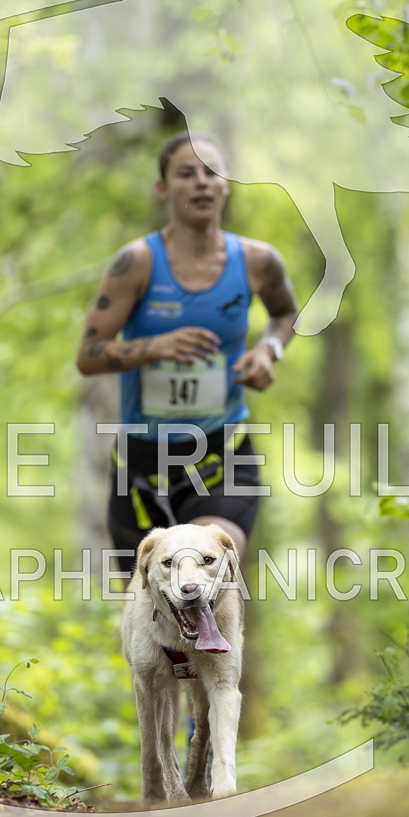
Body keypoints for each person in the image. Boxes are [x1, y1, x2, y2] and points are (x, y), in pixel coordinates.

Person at [76, 131, 299, 581]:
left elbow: (286, 314)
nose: (201, 182)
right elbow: (89, 355)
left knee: (205, 573)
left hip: (221, 457)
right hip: (141, 468)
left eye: (211, 172)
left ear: (226, 183)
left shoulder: (257, 261)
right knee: (148, 613)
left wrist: (268, 350)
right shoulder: (136, 263)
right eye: (186, 173)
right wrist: (155, 347)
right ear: (163, 188)